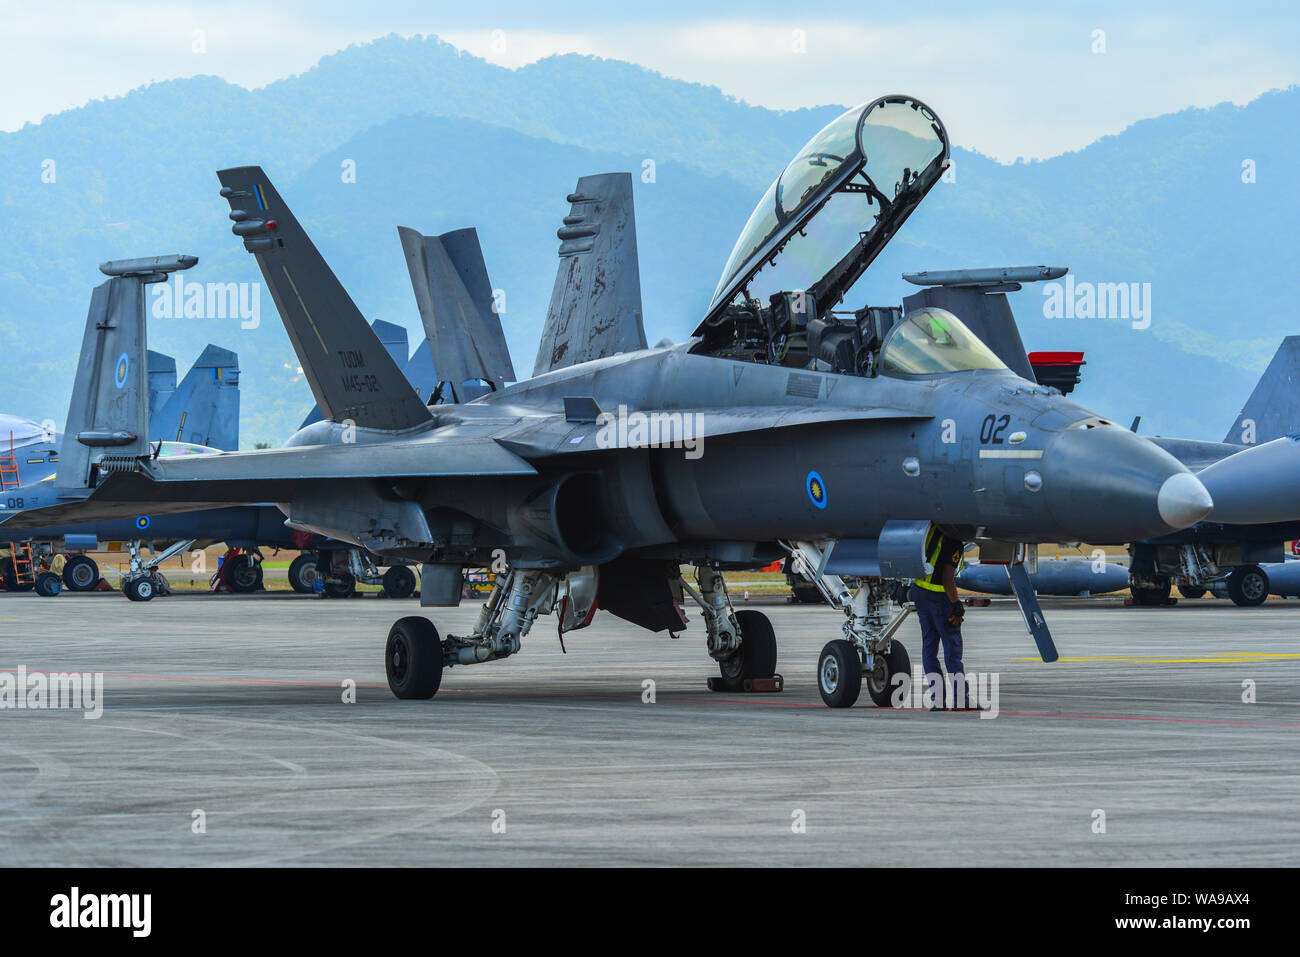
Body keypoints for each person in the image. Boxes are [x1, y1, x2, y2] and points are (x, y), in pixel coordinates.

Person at [910, 527, 974, 710]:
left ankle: (938, 699)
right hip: (940, 598)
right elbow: (948, 578)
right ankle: (961, 699)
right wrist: (956, 605)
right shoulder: (953, 542)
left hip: (920, 593)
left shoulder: (931, 532)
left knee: (929, 649)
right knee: (952, 649)